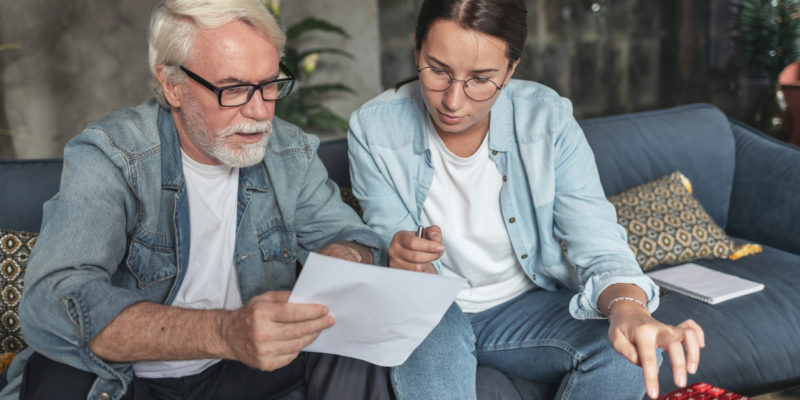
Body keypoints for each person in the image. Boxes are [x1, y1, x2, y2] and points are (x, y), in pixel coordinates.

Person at [0, 1, 394, 399]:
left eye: (270, 83)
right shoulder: (113, 157)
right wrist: (225, 332)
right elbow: (54, 301)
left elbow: (355, 238)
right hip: (128, 379)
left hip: (245, 374)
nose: (260, 112)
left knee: (355, 342)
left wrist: (348, 257)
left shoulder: (288, 153)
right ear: (172, 85)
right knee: (57, 377)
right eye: (234, 89)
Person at [347, 0, 705, 399]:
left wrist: (630, 310)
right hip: (435, 306)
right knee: (430, 330)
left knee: (630, 354)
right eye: (438, 71)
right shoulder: (372, 129)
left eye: (481, 79)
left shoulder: (547, 119)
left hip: (522, 309)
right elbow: (389, 243)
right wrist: (402, 258)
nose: (453, 101)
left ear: (511, 69)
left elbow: (598, 240)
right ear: (416, 49)